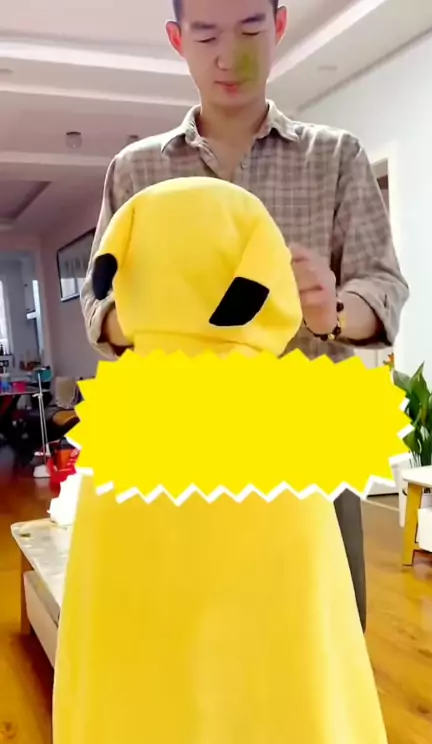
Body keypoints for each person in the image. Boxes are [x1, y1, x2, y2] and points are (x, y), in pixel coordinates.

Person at [81, 0, 408, 631]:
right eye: (206, 35)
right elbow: (99, 304)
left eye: (250, 29)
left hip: (307, 442)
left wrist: (333, 310)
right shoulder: (135, 170)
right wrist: (145, 319)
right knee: (191, 637)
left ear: (279, 27)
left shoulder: (335, 157)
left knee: (324, 635)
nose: (229, 57)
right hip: (181, 446)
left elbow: (383, 286)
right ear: (177, 39)